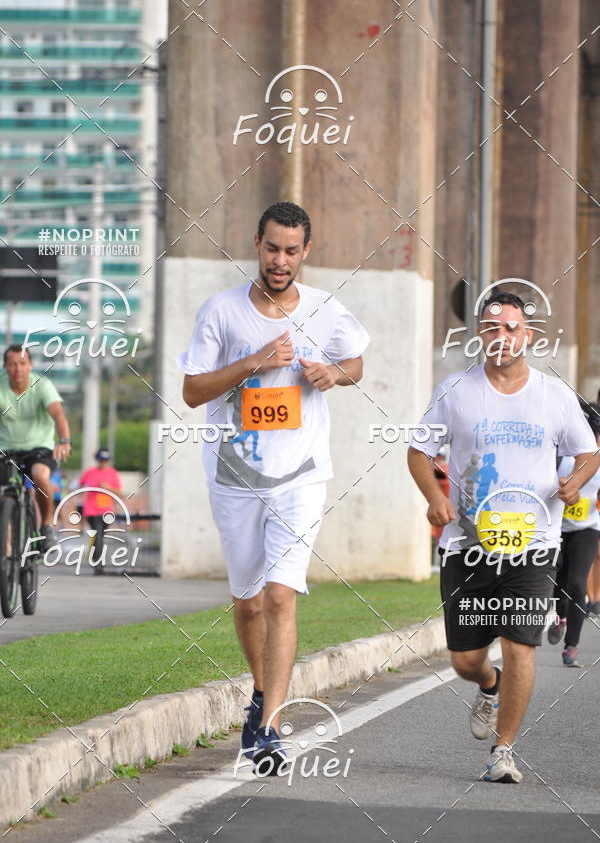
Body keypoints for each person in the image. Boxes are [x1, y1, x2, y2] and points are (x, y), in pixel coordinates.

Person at [178, 201, 369, 774]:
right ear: (256, 244)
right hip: (235, 475)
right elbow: (191, 392)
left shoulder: (326, 310)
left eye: (291, 250)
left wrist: (333, 374)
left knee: (282, 595)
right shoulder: (221, 312)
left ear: (305, 251)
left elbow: (356, 361)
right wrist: (253, 363)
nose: (280, 260)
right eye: (271, 248)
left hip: (301, 475)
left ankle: (268, 727)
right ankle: (262, 691)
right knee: (249, 601)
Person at [408, 292, 599, 784]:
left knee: (520, 646)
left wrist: (574, 483)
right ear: (480, 335)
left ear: (528, 335)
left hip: (532, 546)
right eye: (493, 329)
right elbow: (417, 451)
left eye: (512, 328)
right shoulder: (456, 390)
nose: (503, 337)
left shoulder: (555, 395)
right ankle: (486, 685)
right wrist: (434, 495)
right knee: (465, 659)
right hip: (468, 546)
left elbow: (588, 452)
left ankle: (503, 750)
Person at [0, 345, 71, 548]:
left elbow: (58, 414)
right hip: (6, 449)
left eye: (22, 363)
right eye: (12, 364)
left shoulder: (42, 385)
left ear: (30, 365)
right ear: (5, 366)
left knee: (40, 476)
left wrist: (64, 440)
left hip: (38, 447)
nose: (18, 369)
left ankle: (46, 526)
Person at [548, 400, 600, 665]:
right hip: (557, 530)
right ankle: (561, 617)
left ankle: (571, 646)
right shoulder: (561, 458)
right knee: (558, 583)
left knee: (577, 583)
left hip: (587, 530)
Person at [79, 448, 123, 575]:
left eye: (105, 460)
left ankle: (95, 556)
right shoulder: (90, 473)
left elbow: (119, 492)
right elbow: (79, 485)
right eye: (101, 460)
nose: (103, 462)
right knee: (98, 534)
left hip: (106, 510)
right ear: (97, 460)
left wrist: (107, 488)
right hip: (92, 510)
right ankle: (98, 565)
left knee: (100, 536)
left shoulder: (112, 473)